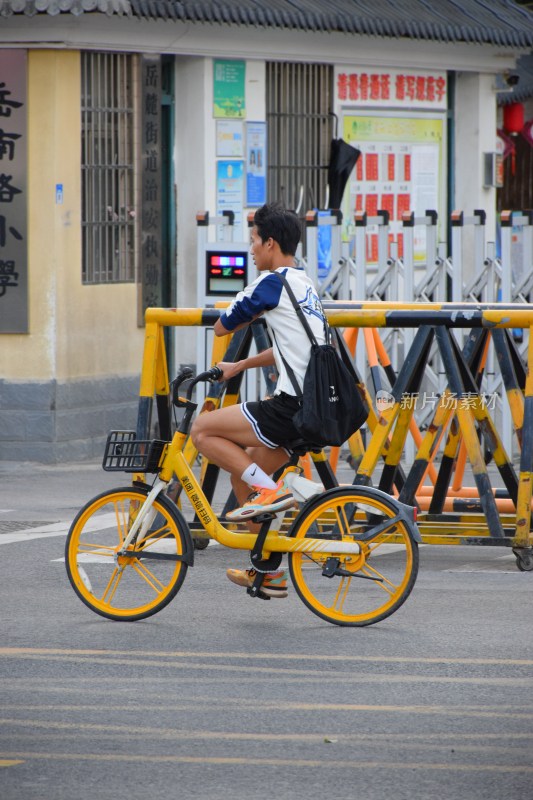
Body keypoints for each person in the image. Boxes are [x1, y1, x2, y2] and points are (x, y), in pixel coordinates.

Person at [191, 202, 326, 598]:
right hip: (313, 406)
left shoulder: (269, 284)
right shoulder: (304, 284)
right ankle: (269, 573)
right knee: (242, 475)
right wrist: (241, 365)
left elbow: (220, 327)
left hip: (290, 404)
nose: (250, 250)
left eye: (253, 241)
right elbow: (295, 347)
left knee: (202, 430)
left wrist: (246, 309)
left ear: (270, 243)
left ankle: (271, 492)